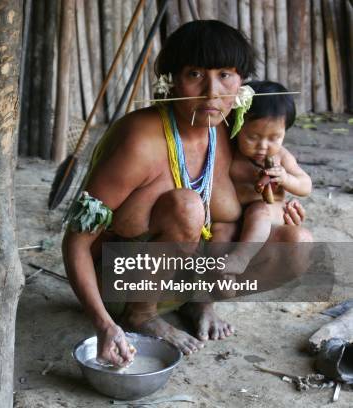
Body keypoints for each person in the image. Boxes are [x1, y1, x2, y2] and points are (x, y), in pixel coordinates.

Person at [62, 20, 311, 366]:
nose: (212, 92)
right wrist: (103, 324)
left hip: (189, 278)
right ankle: (140, 315)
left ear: (242, 83)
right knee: (186, 206)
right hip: (119, 285)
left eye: (225, 74)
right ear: (171, 81)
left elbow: (247, 206)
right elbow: (75, 241)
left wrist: (278, 204)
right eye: (195, 74)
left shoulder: (230, 132)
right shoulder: (141, 141)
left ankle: (198, 301)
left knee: (296, 245)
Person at [225, 81, 312, 278]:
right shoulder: (232, 154)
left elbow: (305, 185)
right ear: (238, 126)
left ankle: (241, 257)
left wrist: (286, 178)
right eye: (253, 137)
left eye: (274, 138)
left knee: (259, 210)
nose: (263, 146)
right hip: (237, 218)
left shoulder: (282, 156)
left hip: (272, 212)